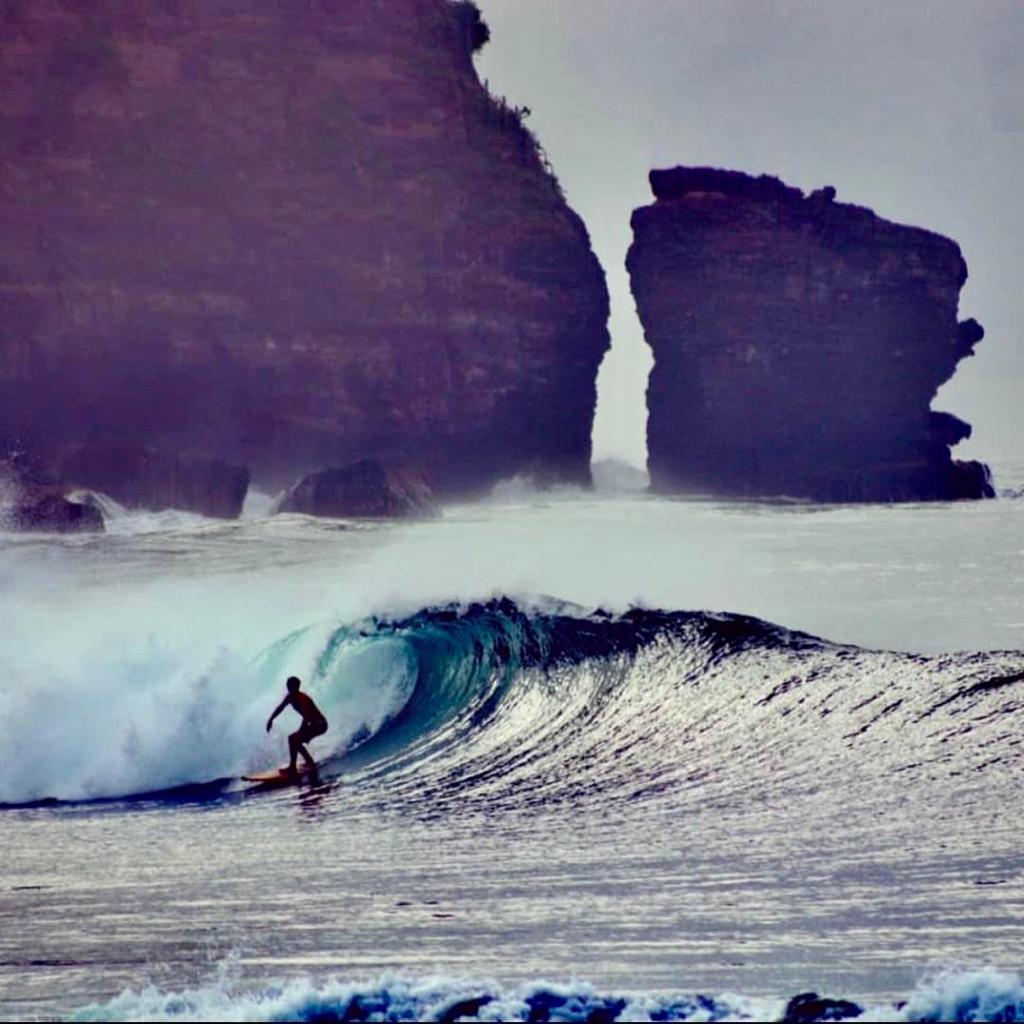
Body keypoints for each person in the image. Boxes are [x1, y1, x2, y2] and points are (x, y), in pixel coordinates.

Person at [266, 676, 328, 775]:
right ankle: (309, 762)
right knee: (294, 740)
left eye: (290, 686)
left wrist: (300, 731)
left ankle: (293, 768)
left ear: (296, 687)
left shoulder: (302, 698)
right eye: (288, 686)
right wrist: (271, 719)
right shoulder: (290, 697)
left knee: (293, 739)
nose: (288, 688)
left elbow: (307, 716)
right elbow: (280, 707)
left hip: (320, 724)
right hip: (313, 724)